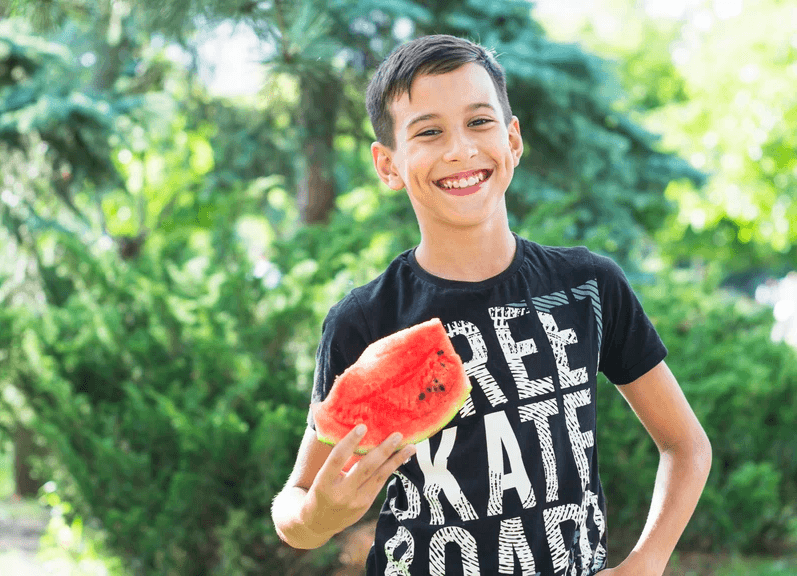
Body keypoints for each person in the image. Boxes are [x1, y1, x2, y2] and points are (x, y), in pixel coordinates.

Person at [271, 34, 712, 576]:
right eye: (429, 132)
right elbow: (293, 507)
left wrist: (645, 562)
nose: (460, 149)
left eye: (479, 122)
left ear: (513, 140)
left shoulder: (589, 286)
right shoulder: (364, 320)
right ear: (387, 165)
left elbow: (686, 445)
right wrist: (321, 511)